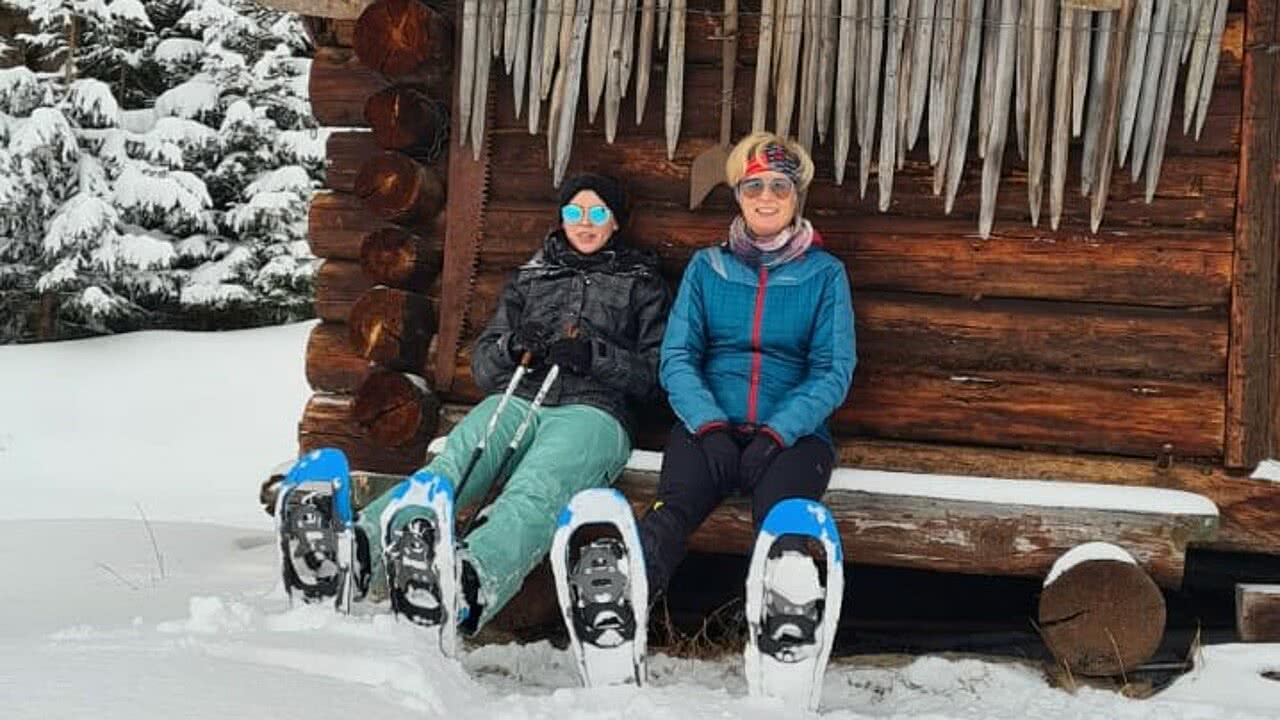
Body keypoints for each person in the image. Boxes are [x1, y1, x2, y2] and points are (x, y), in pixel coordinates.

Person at [357, 173, 670, 632]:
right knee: (455, 464)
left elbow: (658, 377)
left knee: (537, 489)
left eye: (597, 213)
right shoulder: (531, 277)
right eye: (574, 212)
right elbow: (485, 366)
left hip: (594, 413)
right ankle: (364, 545)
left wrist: (595, 356)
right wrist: (511, 346)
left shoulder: (643, 284)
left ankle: (473, 580)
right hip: (519, 396)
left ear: (616, 221)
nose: (584, 223)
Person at [636, 132, 857, 598]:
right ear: (738, 196)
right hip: (707, 428)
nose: (767, 197)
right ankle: (622, 598)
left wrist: (777, 433)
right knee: (671, 511)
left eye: (780, 186)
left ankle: (786, 614)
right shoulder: (707, 267)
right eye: (754, 187)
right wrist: (709, 425)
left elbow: (832, 369)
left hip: (792, 438)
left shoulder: (824, 274)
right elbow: (677, 356)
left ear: (797, 197)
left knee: (784, 524)